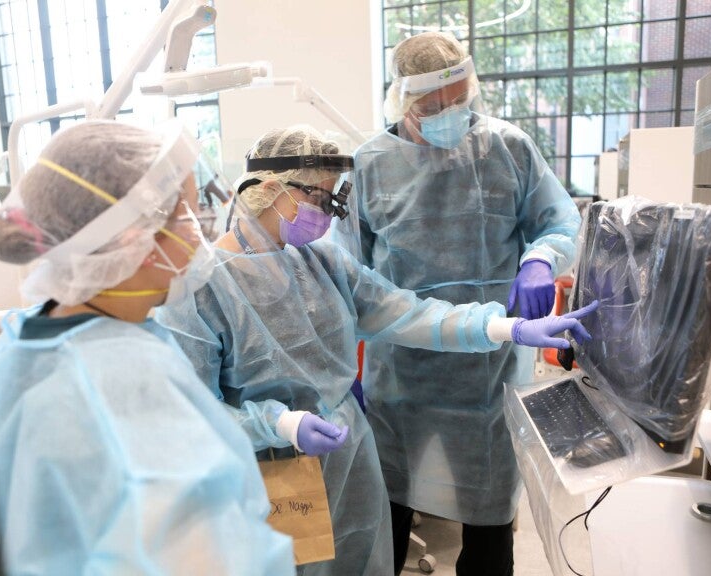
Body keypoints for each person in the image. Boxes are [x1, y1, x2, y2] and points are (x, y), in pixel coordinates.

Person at [156, 125, 596, 576]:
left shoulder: (323, 263)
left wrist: (509, 327)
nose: (330, 212)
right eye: (321, 199)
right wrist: (280, 423)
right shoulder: (201, 288)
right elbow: (190, 415)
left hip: (347, 459)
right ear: (271, 189)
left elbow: (410, 313)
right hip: (263, 477)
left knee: (360, 561)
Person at [0, 120, 295, 575]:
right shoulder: (124, 378)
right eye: (187, 211)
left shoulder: (21, 347)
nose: (202, 223)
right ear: (135, 240)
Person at [332, 30, 584, 576]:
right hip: (402, 371)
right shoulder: (369, 165)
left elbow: (558, 219)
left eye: (459, 99)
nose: (450, 114)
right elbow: (343, 272)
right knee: (389, 511)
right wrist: (339, 361)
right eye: (432, 106)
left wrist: (540, 258)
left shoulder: (507, 148)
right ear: (403, 101)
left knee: (490, 511)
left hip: (491, 370)